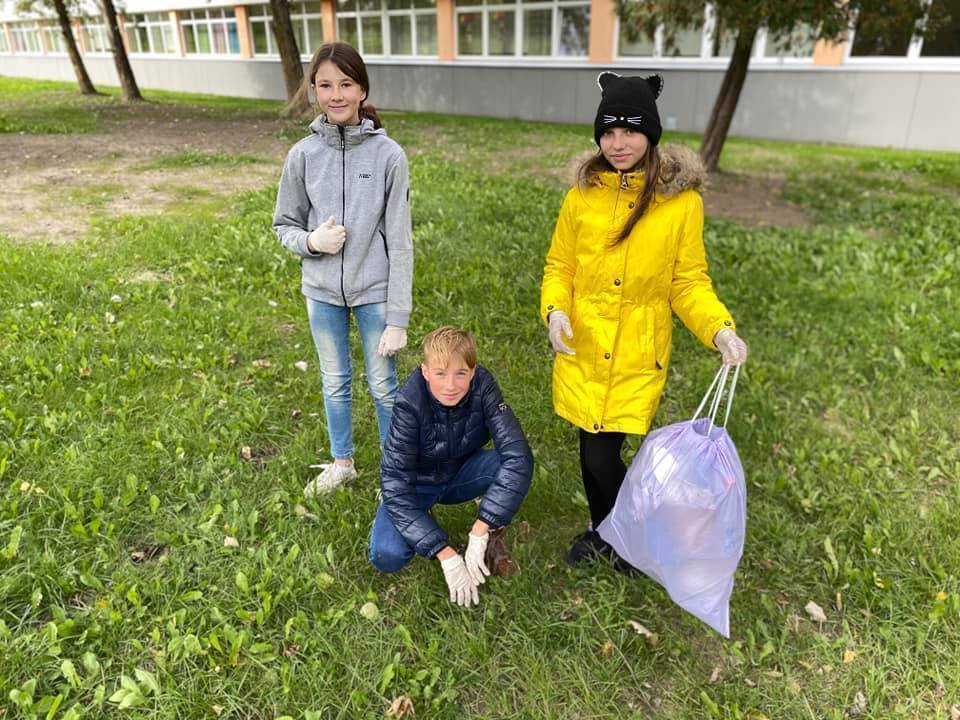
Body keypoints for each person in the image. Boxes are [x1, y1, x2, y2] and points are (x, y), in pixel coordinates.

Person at [540, 71, 748, 569]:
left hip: (636, 351)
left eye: (630, 131)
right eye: (609, 132)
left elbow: (688, 281)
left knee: (602, 453)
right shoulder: (581, 196)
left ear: (650, 133)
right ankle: (607, 533)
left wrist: (719, 328)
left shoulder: (681, 204)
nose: (618, 143)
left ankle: (627, 535)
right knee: (593, 451)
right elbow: (560, 266)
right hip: (586, 343)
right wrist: (555, 311)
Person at [273, 42, 413, 497]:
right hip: (321, 294)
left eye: (346, 84)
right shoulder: (302, 156)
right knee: (335, 383)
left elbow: (401, 241)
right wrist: (311, 242)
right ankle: (342, 463)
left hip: (374, 291)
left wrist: (398, 317)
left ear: (362, 89)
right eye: (325, 85)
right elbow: (284, 224)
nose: (336, 95)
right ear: (313, 91)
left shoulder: (389, 156)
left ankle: (396, 474)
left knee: (384, 386)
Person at [370, 327, 533, 607]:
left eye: (460, 374)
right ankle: (422, 516)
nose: (450, 385)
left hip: (462, 472)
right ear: (425, 372)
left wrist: (482, 526)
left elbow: (518, 455)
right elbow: (395, 483)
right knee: (387, 554)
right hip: (418, 484)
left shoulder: (483, 386)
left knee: (508, 463)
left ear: (472, 371)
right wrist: (445, 554)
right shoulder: (409, 403)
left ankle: (490, 540)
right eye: (440, 374)